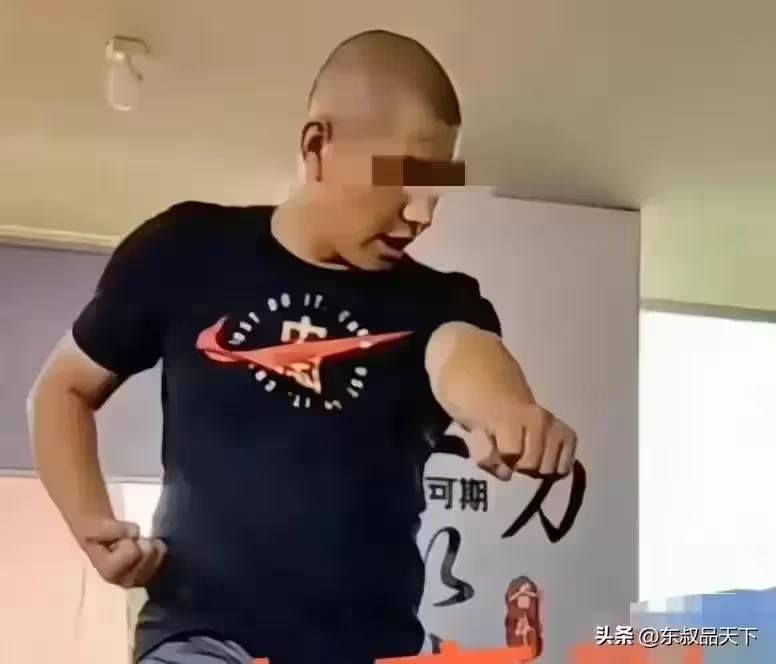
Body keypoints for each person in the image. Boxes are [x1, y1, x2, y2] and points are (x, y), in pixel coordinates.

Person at [27, 29, 577, 664]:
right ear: (318, 146)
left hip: (371, 649)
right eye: (403, 179)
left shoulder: (437, 301)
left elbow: (463, 352)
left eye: (436, 190)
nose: (422, 214)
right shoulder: (185, 249)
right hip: (204, 639)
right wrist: (90, 521)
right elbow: (62, 389)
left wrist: (506, 409)